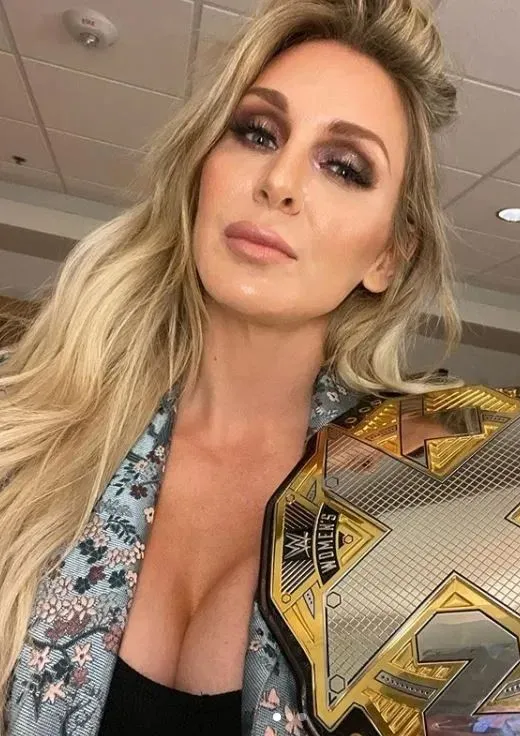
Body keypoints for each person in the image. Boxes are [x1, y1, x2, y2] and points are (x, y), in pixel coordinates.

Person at [0, 0, 461, 733]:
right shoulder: (27, 432)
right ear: (202, 170)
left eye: (344, 168)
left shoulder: (422, 506)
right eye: (256, 132)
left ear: (387, 256)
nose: (279, 180)